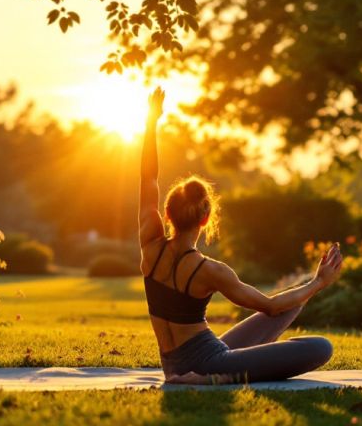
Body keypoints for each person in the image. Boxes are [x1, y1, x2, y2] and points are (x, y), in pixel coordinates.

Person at [139, 86, 343, 384]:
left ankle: (213, 370)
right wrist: (321, 282)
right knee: (320, 347)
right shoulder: (210, 270)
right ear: (206, 217)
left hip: (175, 362)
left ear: (167, 214)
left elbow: (148, 179)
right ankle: (219, 375)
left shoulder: (150, 246)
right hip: (210, 364)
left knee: (295, 301)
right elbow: (269, 306)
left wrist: (150, 123)